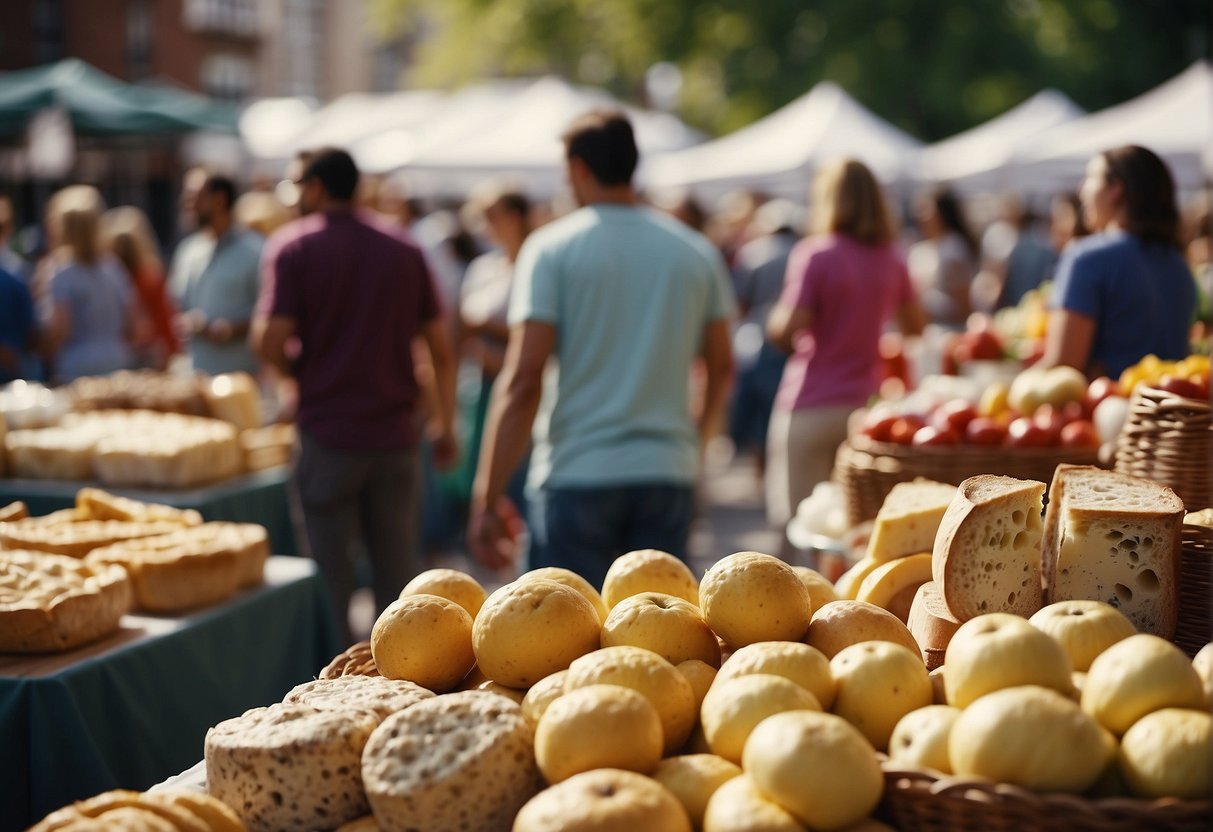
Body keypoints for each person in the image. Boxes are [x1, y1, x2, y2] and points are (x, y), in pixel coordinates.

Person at [467, 110, 735, 588]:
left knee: (559, 647)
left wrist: (486, 499)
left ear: (578, 170)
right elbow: (721, 365)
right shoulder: (694, 251)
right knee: (657, 645)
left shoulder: (550, 249)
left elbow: (523, 378)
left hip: (575, 474)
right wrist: (696, 443)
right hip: (665, 472)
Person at [251, 148, 457, 640]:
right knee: (398, 578)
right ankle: (402, 687)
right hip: (395, 435)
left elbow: (268, 341)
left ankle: (331, 691)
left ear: (317, 188)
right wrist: (445, 425)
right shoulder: (404, 247)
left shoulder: (294, 246)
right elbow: (441, 350)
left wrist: (299, 375)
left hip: (327, 434)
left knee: (329, 583)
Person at [765, 159, 926, 554]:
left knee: (799, 531)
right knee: (852, 533)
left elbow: (788, 331)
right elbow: (916, 327)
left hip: (810, 403)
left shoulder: (816, 255)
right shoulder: (892, 257)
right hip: (865, 408)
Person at [1041, 145, 1197, 378]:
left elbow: (1063, 368)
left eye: (1090, 178)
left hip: (1101, 411)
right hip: (1166, 411)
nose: (1081, 189)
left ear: (1116, 190)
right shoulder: (1178, 264)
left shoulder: (1086, 257)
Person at [728, 199, 802, 479]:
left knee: (760, 410)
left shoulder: (753, 253)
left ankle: (761, 470)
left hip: (758, 339)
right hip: (793, 340)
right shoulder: (800, 251)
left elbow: (740, 302)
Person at [40, 186, 142, 383]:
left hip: (75, 369)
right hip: (115, 363)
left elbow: (62, 329)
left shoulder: (61, 271)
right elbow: (134, 326)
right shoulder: (113, 267)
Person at [169, 174, 264, 375]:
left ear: (219, 200)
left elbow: (271, 313)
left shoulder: (256, 251)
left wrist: (233, 328)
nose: (186, 203)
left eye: (194, 197)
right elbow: (177, 305)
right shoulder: (188, 251)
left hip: (242, 379)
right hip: (196, 377)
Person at [103, 206, 180, 370]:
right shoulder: (147, 277)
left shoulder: (148, 278)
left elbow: (164, 317)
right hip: (131, 353)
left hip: (142, 353)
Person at [908, 188, 978, 328]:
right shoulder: (919, 251)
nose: (921, 216)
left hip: (950, 335)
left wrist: (926, 305)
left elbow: (964, 308)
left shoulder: (953, 248)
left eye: (927, 210)